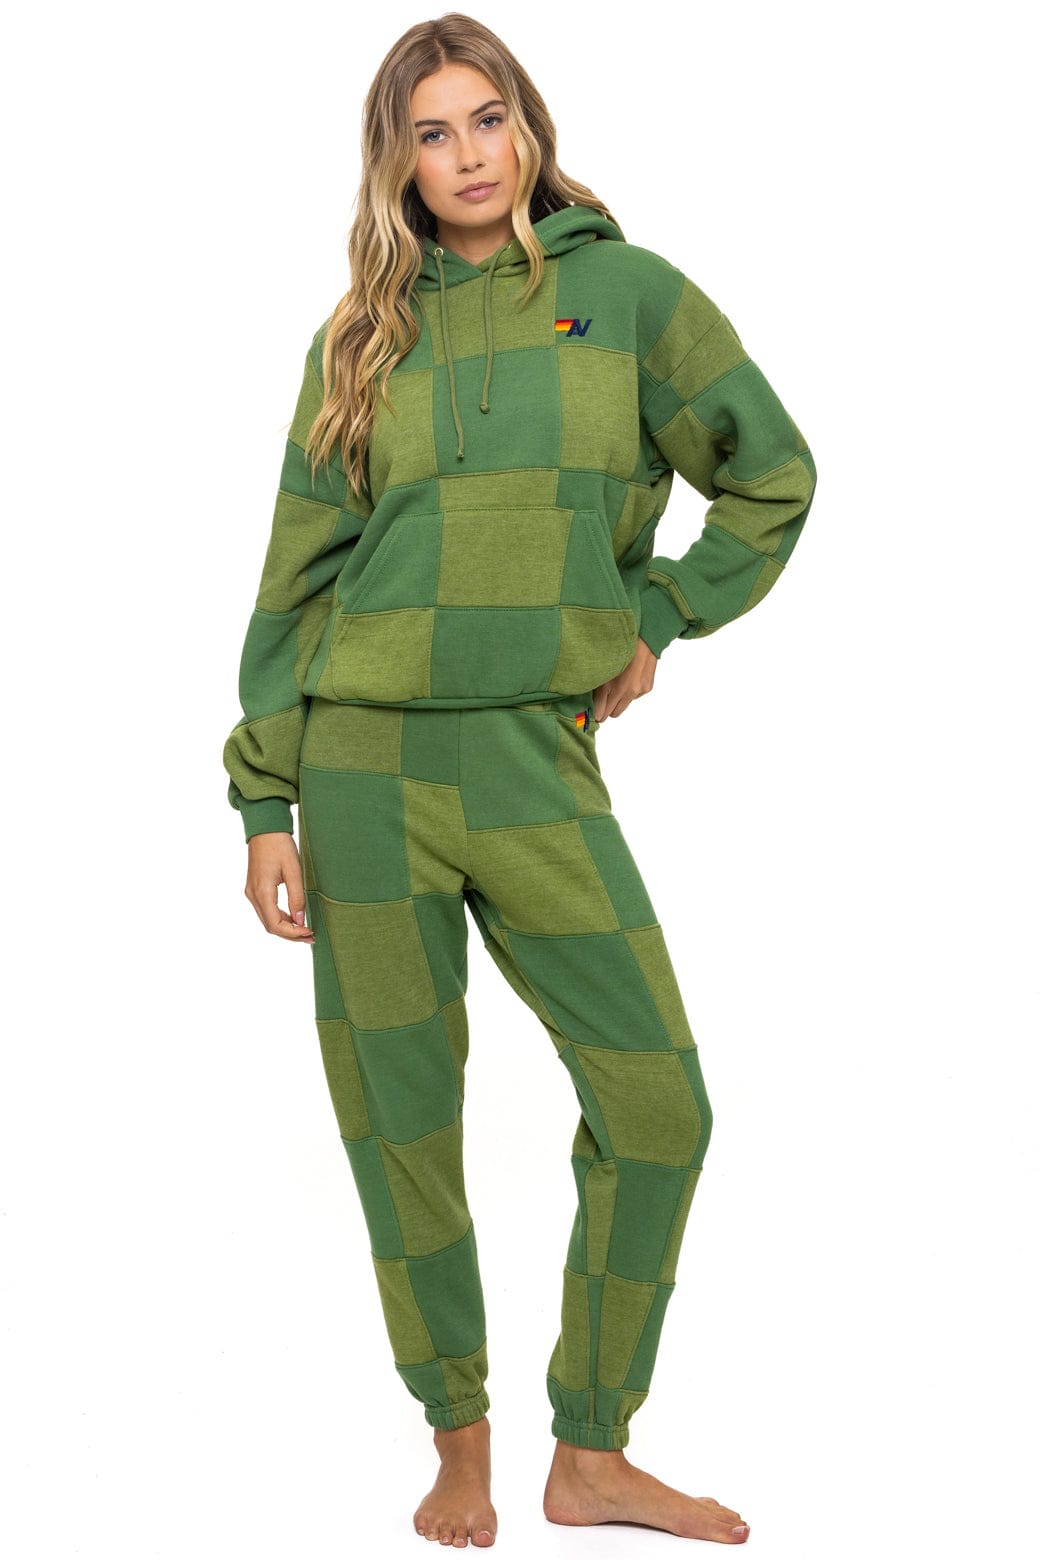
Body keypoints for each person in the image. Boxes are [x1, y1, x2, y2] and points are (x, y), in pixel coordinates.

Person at [223, 11, 816, 1548]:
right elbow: (297, 583)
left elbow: (773, 471)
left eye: (488, 119)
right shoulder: (361, 339)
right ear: (399, 163)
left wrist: (659, 616)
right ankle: (460, 1442)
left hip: (531, 755)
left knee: (659, 1103)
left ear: (530, 129)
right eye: (432, 133)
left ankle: (593, 1449)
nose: (469, 155)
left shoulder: (629, 298)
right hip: (361, 764)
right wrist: (265, 798)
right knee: (401, 1119)